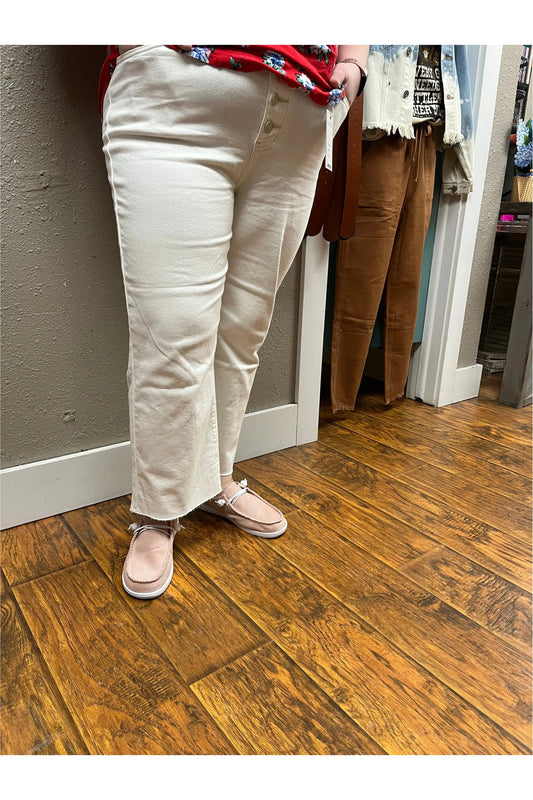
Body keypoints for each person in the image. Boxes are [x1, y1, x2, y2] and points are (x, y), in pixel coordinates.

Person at [100, 44, 369, 599]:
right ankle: (158, 511)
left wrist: (356, 62)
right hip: (176, 94)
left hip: (300, 111)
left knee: (244, 330)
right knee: (171, 337)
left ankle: (215, 480)